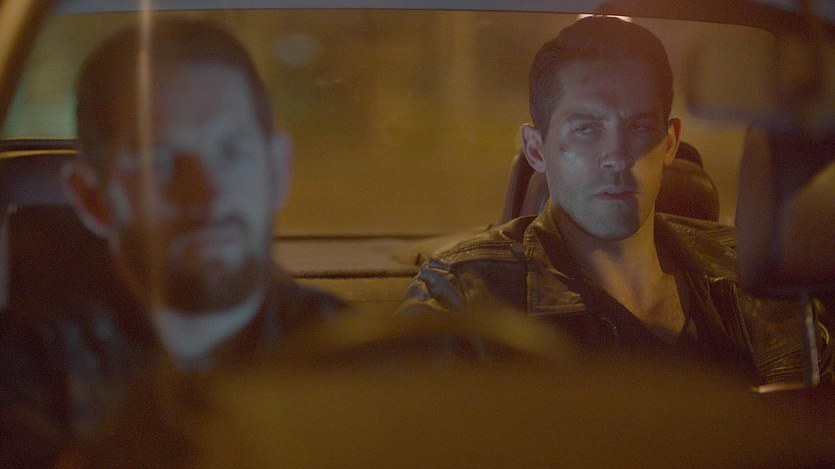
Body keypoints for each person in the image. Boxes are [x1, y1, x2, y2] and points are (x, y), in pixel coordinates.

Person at [398, 16, 832, 386]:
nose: (618, 156)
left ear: (670, 142)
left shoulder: (757, 276)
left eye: (639, 126)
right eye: (586, 129)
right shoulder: (467, 294)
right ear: (536, 150)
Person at [0, 18, 343, 466]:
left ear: (277, 171)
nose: (208, 195)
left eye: (232, 152)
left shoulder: (356, 353)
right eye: (158, 161)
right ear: (92, 199)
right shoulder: (29, 371)